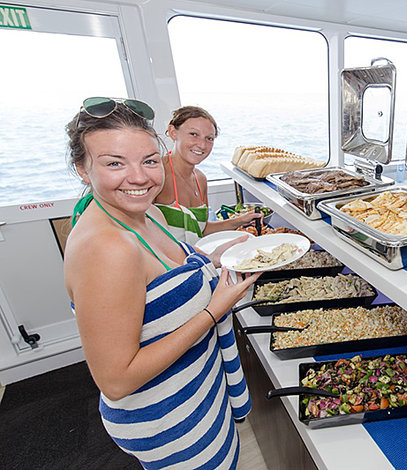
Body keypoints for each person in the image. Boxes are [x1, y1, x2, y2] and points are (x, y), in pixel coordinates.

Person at [63, 97, 260, 469]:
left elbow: (173, 268)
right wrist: (214, 310)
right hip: (168, 418)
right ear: (83, 169)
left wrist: (217, 257)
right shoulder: (106, 249)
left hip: (197, 391)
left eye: (149, 161)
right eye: (115, 163)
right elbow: (116, 381)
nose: (139, 178)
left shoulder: (146, 212)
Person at [154, 105, 262, 243]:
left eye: (209, 138)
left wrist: (240, 221)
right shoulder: (157, 174)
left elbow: (202, 230)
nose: (202, 145)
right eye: (194, 134)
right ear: (173, 132)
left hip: (195, 254)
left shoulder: (200, 179)